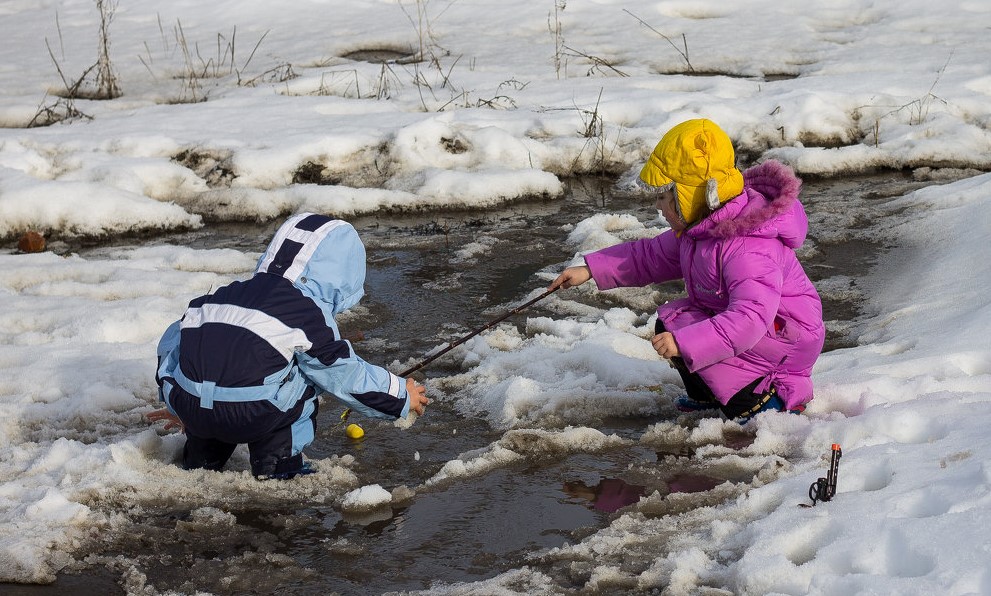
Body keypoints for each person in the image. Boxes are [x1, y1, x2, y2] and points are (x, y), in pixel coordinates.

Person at [550, 119, 824, 423]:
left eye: (665, 197)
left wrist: (685, 344)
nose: (658, 206)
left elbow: (750, 318)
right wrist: (589, 269)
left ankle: (768, 403)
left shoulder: (748, 248)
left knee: (686, 338)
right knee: (673, 324)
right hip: (761, 331)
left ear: (696, 196)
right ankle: (710, 397)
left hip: (781, 338)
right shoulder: (702, 230)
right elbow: (647, 257)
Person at [149, 213, 429, 479]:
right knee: (306, 375)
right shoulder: (306, 313)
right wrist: (399, 395)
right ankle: (277, 465)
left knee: (216, 369)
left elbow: (172, 344)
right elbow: (343, 374)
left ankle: (201, 460)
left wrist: (178, 402)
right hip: (254, 413)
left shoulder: (218, 297)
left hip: (192, 407)